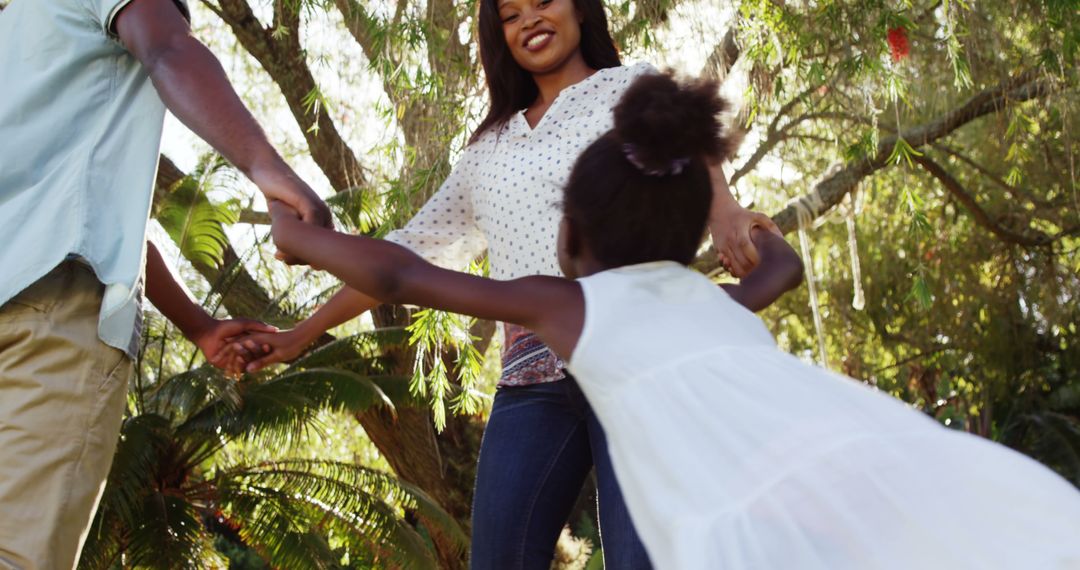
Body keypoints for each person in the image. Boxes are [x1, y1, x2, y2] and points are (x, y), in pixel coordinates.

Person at [262, 71, 1080, 569]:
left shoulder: (570, 304)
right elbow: (783, 269)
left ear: (571, 239)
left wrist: (303, 238)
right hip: (784, 462)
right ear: (684, 236)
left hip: (703, 500)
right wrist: (750, 226)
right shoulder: (706, 303)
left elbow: (403, 272)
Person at [230, 0, 775, 566]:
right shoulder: (485, 152)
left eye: (543, 3)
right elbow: (403, 257)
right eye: (511, 15)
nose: (530, 21)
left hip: (635, 361)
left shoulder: (629, 86)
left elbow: (692, 152)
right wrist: (299, 334)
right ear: (499, 35)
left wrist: (729, 214)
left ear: (580, 10)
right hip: (531, 381)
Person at [0, 0, 331, 567]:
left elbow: (95, 212)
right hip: (49, 315)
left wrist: (199, 326)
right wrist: (266, 167)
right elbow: (168, 48)